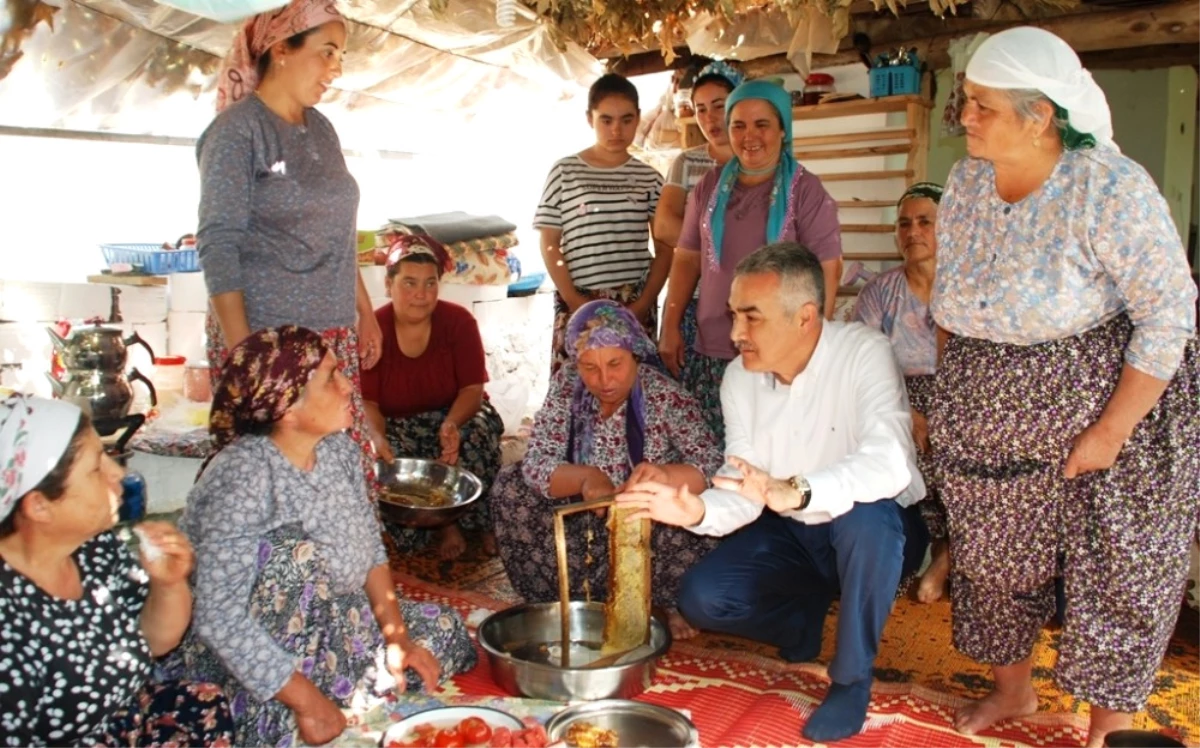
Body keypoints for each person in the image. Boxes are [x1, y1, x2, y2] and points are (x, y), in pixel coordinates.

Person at [930, 27, 1200, 747]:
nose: (967, 118)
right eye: (967, 102)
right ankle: (1013, 693)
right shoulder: (965, 183)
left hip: (1105, 407)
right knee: (993, 562)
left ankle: (1110, 730)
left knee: (1118, 569)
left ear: (1039, 114)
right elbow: (953, 303)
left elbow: (1168, 311)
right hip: (989, 403)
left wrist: (1110, 432)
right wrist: (955, 397)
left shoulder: (1108, 187)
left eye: (983, 106)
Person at [619, 243, 928, 742]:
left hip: (878, 531)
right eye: (734, 315)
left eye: (751, 318)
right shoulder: (740, 378)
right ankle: (802, 624)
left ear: (805, 317)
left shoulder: (863, 353)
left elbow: (889, 462)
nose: (736, 333)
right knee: (703, 598)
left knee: (866, 521)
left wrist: (799, 490)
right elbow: (744, 483)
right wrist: (695, 509)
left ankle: (850, 680)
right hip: (795, 534)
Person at [162, 327, 477, 747]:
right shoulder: (241, 477)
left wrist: (397, 638)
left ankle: (342, 695)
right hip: (254, 653)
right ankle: (301, 704)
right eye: (331, 377)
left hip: (336, 621)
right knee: (293, 557)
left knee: (444, 630)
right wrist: (307, 701)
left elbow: (369, 548)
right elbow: (219, 619)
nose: (348, 385)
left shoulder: (339, 451)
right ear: (286, 406)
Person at [198, 0, 383, 490]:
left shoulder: (321, 128)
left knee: (340, 476)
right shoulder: (237, 131)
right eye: (326, 52)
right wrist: (245, 357)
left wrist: (362, 310)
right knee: (276, 483)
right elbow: (218, 244)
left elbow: (340, 230)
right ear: (281, 49)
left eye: (340, 55)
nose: (335, 69)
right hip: (269, 344)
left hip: (331, 338)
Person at [0, 394, 235, 747]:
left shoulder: (93, 549)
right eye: (96, 468)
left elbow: (152, 640)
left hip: (123, 724)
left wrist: (167, 584)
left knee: (200, 702)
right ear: (39, 506)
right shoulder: (9, 625)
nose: (119, 475)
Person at [491, 300, 723, 639]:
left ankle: (669, 601)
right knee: (510, 486)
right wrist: (587, 478)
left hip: (647, 526)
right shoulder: (567, 385)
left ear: (635, 354)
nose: (604, 380)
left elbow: (711, 464)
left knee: (691, 517)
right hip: (584, 519)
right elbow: (538, 459)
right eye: (589, 367)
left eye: (615, 363)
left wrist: (664, 477)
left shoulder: (665, 397)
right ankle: (554, 600)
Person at [660, 80, 842, 444]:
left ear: (782, 130)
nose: (749, 136)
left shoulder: (806, 190)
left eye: (762, 124)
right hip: (712, 346)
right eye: (738, 125)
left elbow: (828, 269)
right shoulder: (708, 187)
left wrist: (811, 343)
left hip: (779, 350)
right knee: (715, 453)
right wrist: (670, 323)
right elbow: (687, 259)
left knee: (774, 453)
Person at [362, 235, 504, 560]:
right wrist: (376, 435)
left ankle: (484, 524)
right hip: (397, 423)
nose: (421, 295)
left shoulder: (459, 323)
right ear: (389, 284)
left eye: (430, 283)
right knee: (388, 460)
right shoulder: (373, 331)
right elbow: (368, 403)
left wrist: (453, 422)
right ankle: (443, 525)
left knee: (477, 434)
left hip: (455, 412)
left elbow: (472, 389)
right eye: (409, 283)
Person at [852, 182, 949, 603]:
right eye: (905, 223)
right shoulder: (880, 293)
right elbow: (862, 364)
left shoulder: (969, 287)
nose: (913, 232)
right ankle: (931, 544)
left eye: (925, 221)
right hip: (898, 397)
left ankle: (951, 553)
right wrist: (906, 411)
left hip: (964, 395)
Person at [535, 73, 668, 375]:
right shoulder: (565, 172)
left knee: (633, 388)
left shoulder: (651, 179)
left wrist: (643, 303)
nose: (616, 130)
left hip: (633, 300)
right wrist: (575, 301)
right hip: (578, 296)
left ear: (638, 119)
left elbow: (665, 249)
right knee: (578, 387)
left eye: (626, 119)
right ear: (589, 119)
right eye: (606, 120)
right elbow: (549, 242)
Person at [653, 60, 741, 399]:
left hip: (750, 306)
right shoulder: (688, 163)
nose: (709, 118)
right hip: (692, 301)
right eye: (701, 109)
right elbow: (663, 226)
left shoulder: (761, 164)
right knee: (693, 405)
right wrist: (724, 253)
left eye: (719, 106)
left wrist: (697, 240)